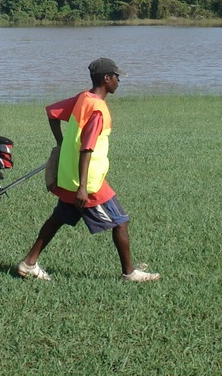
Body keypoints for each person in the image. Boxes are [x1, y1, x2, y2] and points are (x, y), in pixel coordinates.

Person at [17, 57, 161, 283]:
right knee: (120, 221)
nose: (119, 81)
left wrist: (61, 142)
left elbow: (52, 113)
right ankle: (129, 274)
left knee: (57, 219)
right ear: (106, 79)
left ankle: (28, 264)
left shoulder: (83, 98)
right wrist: (83, 188)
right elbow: (87, 148)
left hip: (69, 177)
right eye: (116, 76)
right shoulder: (97, 110)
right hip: (88, 184)